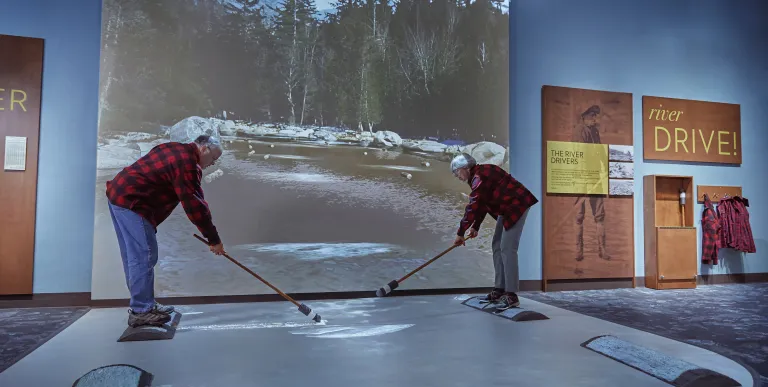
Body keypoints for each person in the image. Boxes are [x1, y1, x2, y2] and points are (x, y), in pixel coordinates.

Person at [105, 135, 225, 327]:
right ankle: (141, 311)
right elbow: (195, 206)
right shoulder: (188, 164)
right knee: (144, 256)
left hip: (120, 195)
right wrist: (213, 239)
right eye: (213, 159)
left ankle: (145, 304)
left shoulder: (174, 147)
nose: (213, 164)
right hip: (133, 203)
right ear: (204, 149)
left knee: (135, 257)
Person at [451, 153, 538, 310]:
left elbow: (474, 206)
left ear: (465, 168)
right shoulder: (477, 175)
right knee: (497, 245)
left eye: (456, 171)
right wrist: (476, 226)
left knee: (507, 248)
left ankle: (511, 295)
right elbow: (483, 203)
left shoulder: (479, 177)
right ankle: (500, 289)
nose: (456, 175)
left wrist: (460, 233)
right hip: (505, 209)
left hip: (517, 205)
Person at [572, 104, 608, 261]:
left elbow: (599, 153)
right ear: (584, 116)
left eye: (595, 115)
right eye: (592, 115)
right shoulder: (579, 131)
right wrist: (585, 180)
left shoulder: (595, 131)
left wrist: (604, 170)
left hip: (595, 179)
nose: (595, 118)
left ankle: (602, 250)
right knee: (579, 216)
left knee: (600, 216)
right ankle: (578, 251)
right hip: (580, 179)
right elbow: (579, 157)